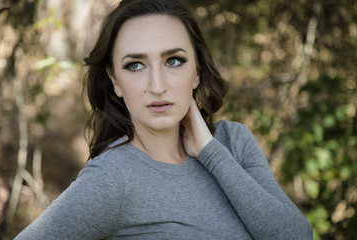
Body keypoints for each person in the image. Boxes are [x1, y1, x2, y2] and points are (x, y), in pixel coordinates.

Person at [15, 0, 313, 239]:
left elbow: (297, 235)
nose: (157, 85)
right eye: (135, 65)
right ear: (115, 80)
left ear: (197, 70)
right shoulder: (113, 177)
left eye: (173, 61)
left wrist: (211, 153)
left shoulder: (233, 142)